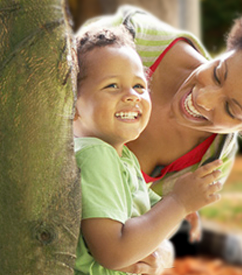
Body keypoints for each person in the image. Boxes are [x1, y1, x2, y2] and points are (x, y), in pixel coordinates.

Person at [76, 6, 242, 257]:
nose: (203, 98)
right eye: (218, 74)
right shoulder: (131, 39)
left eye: (230, 109)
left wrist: (161, 255)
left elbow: (146, 229)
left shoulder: (209, 165)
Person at [71, 26, 225, 275]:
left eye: (139, 86)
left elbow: (150, 221)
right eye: (112, 85)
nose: (132, 96)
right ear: (72, 104)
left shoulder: (124, 158)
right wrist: (178, 203)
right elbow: (114, 252)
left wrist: (178, 208)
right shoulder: (95, 156)